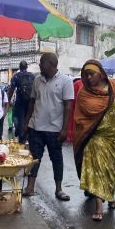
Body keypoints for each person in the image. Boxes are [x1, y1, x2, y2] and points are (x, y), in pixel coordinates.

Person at [73, 60, 115, 221]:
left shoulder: (114, 86)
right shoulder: (84, 93)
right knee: (97, 169)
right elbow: (80, 118)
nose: (87, 78)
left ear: (100, 74)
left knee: (112, 170)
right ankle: (99, 205)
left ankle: (110, 196)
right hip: (96, 137)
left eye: (91, 74)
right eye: (85, 74)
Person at [23, 53, 74, 200]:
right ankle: (30, 187)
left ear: (51, 64)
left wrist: (64, 129)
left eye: (42, 62)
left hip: (54, 129)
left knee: (56, 159)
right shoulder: (37, 80)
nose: (39, 65)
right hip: (36, 127)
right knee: (34, 159)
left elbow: (68, 106)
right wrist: (26, 123)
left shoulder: (65, 81)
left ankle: (59, 189)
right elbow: (32, 102)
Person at [8, 61, 35, 143]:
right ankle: (28, 137)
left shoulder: (16, 76)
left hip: (20, 102)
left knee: (18, 119)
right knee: (29, 119)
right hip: (30, 102)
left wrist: (8, 100)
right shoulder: (32, 76)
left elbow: (11, 90)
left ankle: (21, 137)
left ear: (19, 67)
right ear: (27, 67)